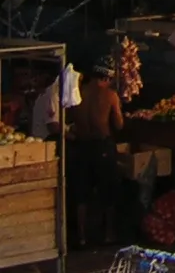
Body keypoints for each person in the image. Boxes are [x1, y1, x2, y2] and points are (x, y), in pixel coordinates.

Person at [70, 57, 124, 247]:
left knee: (81, 193)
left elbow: (70, 120)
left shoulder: (77, 93)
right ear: (106, 78)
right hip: (102, 146)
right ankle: (109, 234)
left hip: (81, 146)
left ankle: (81, 237)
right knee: (108, 191)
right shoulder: (110, 95)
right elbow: (119, 124)